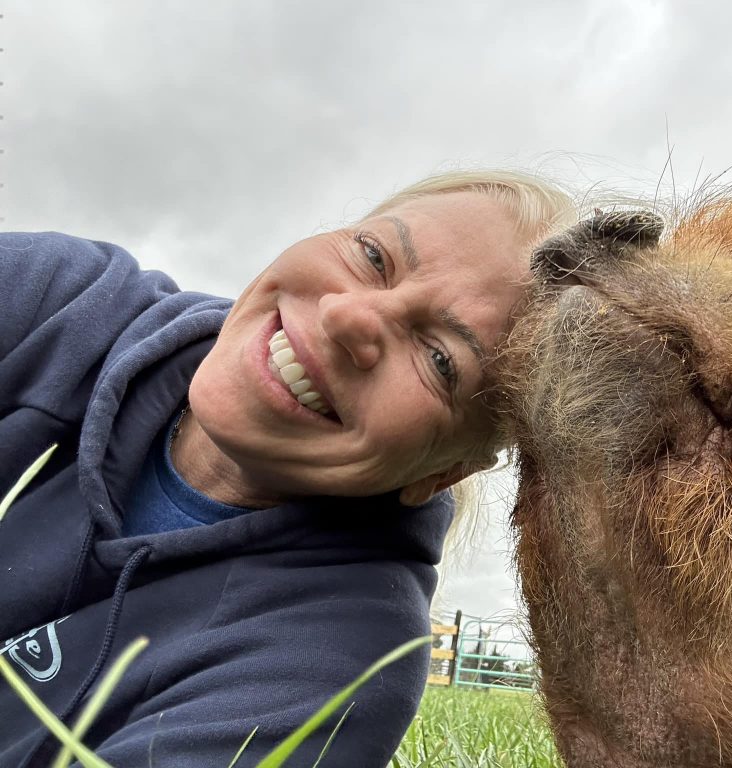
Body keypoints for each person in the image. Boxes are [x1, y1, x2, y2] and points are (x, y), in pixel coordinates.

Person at [0, 170, 576, 767]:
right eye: (373, 256)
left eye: (440, 360)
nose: (348, 316)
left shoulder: (332, 671)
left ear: (445, 473)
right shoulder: (66, 300)